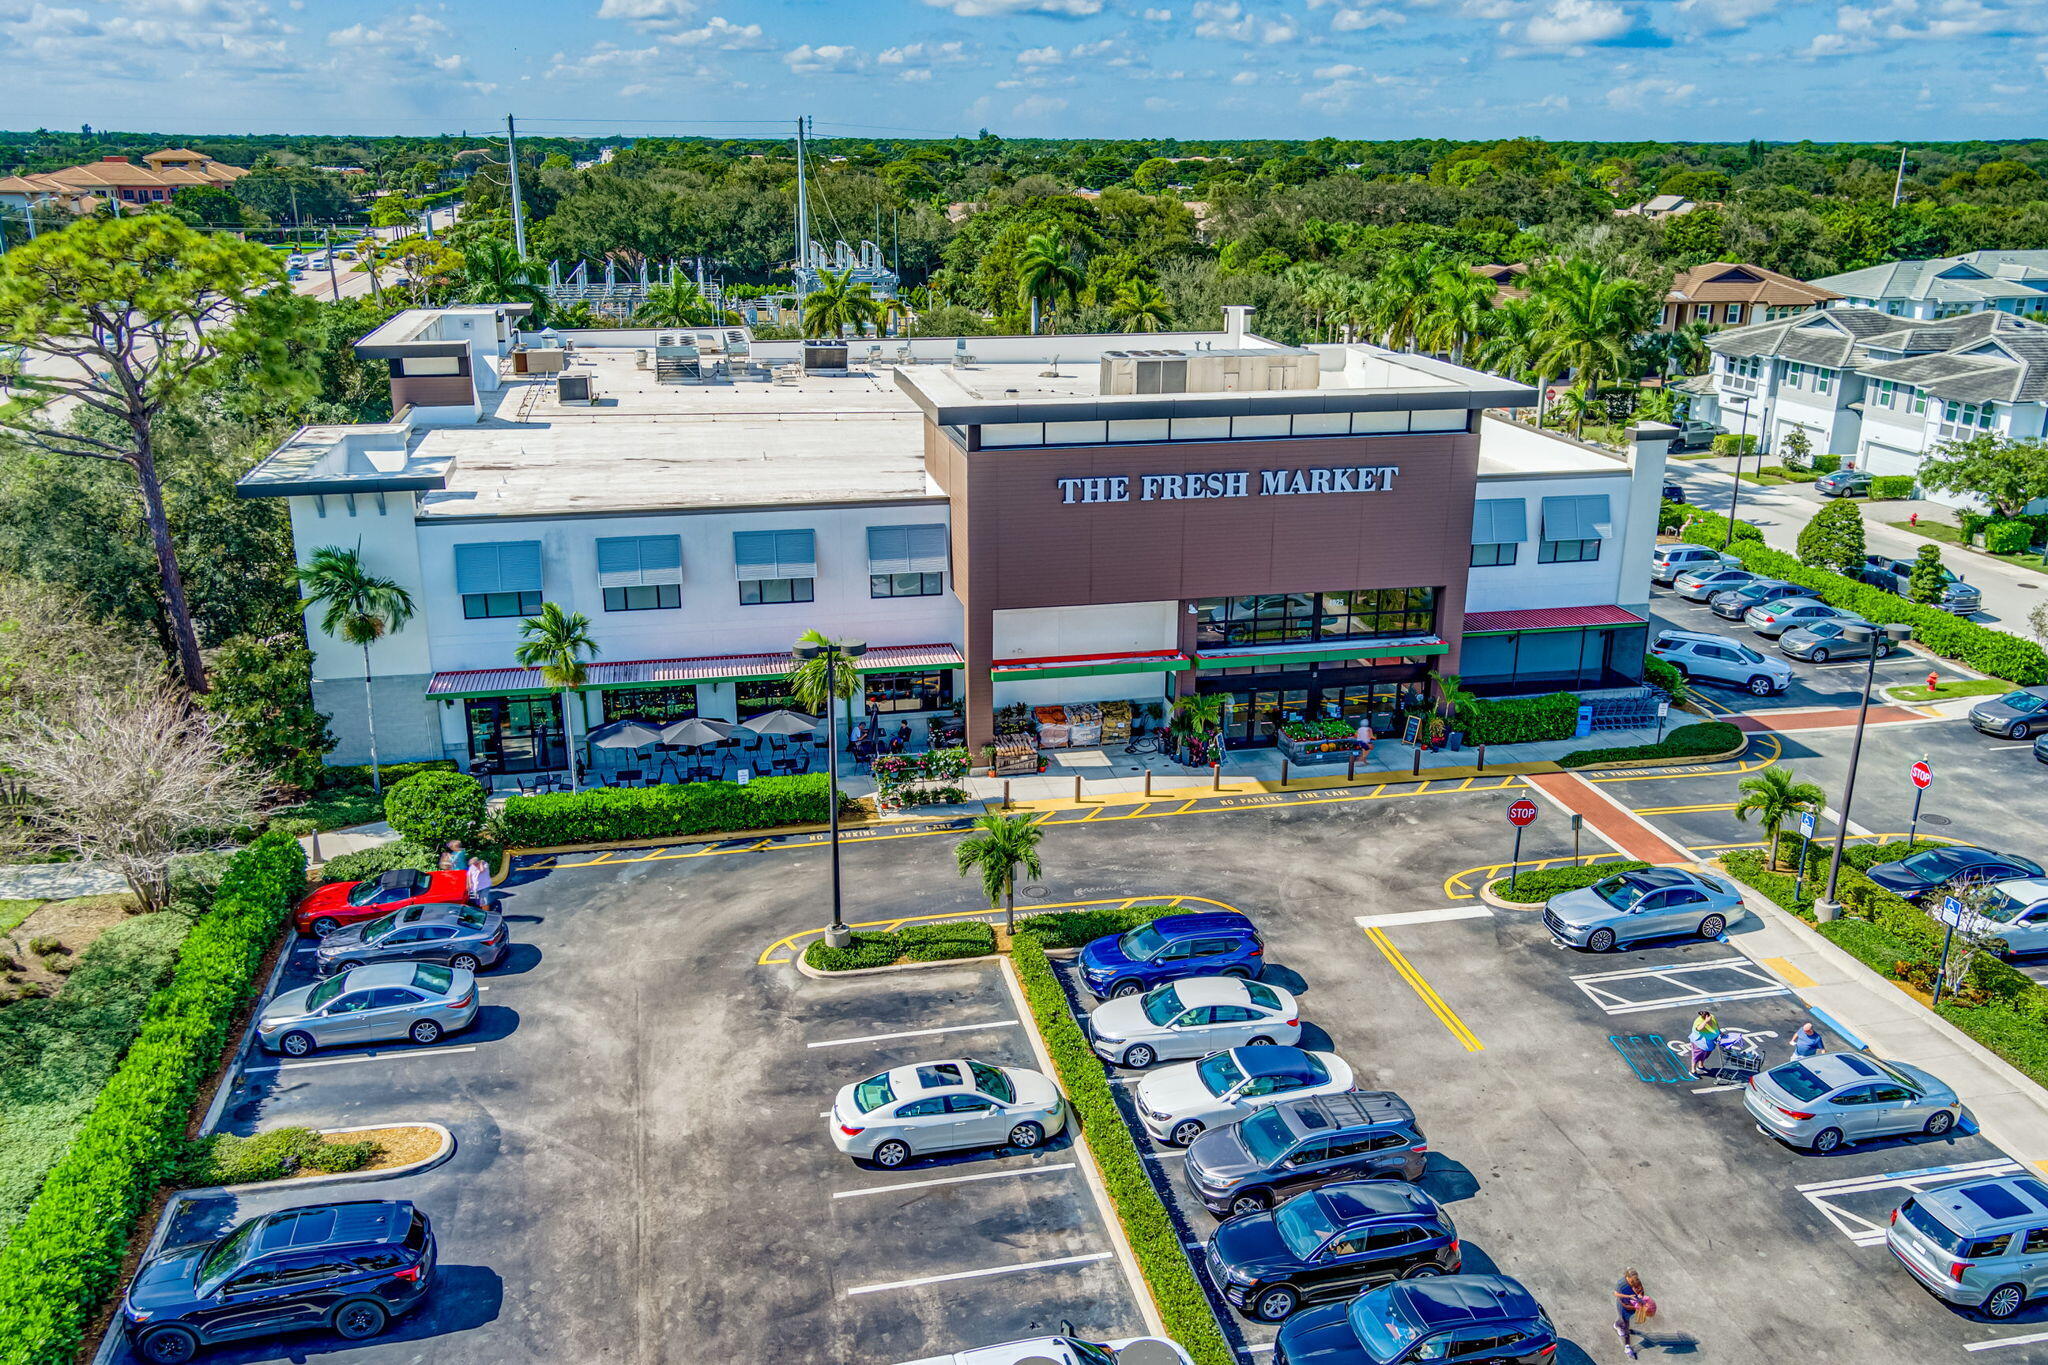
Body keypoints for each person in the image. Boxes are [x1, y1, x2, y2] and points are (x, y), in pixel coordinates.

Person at [1613, 1268, 1651, 1360]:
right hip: (1623, 1307)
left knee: (1623, 1320)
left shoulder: (1637, 1282)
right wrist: (1634, 1304)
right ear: (1627, 1277)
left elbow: (1641, 1290)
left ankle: (1617, 1324)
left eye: (1636, 1279)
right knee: (1626, 1326)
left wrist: (1641, 1297)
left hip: (1632, 1308)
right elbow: (1618, 1297)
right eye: (1632, 1280)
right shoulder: (1621, 1285)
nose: (1635, 1282)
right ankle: (1627, 1347)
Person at [1688, 1008, 1721, 1078]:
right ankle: (1693, 1071)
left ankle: (1700, 1066)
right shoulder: (1699, 1021)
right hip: (1700, 1043)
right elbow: (1699, 1028)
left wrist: (1720, 1032)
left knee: (1704, 1056)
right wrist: (1706, 1021)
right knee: (1696, 1057)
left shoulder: (1712, 1017)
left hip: (1709, 1043)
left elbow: (1716, 1025)